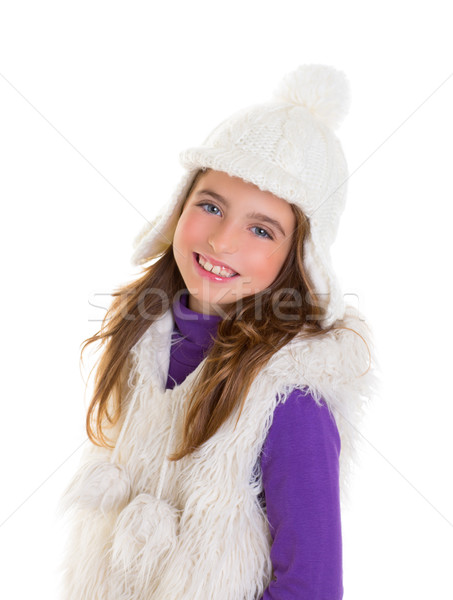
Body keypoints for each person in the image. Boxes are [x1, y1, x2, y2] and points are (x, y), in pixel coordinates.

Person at [59, 64, 377, 599]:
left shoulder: (292, 398)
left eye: (260, 229)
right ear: (176, 209)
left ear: (300, 258)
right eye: (210, 205)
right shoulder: (143, 343)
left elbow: (313, 585)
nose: (223, 241)